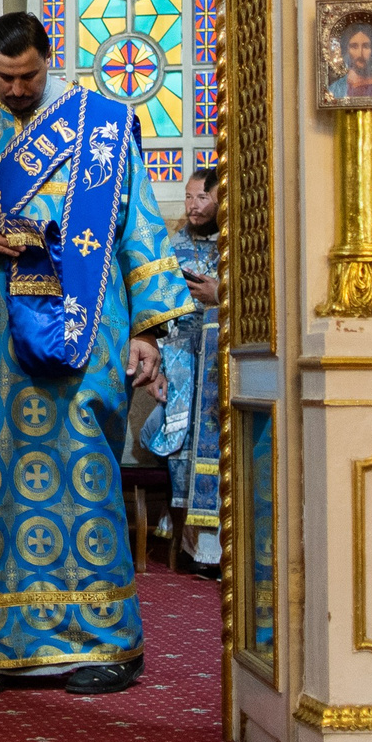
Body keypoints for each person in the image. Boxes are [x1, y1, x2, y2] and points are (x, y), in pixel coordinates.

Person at [0, 12, 191, 693]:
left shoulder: (100, 125)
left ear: (48, 60)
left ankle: (104, 642)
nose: (17, 88)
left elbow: (138, 225)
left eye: (28, 76)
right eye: (4, 77)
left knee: (83, 474)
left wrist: (147, 330)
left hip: (82, 328)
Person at [141, 166, 222, 567]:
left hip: (219, 370)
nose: (193, 205)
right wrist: (157, 372)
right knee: (174, 444)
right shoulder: (171, 248)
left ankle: (216, 550)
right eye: (189, 197)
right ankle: (193, 548)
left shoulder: (235, 246)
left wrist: (219, 293)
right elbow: (158, 313)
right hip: (181, 367)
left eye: (202, 198)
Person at [324, 23, 372, 102]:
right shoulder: (334, 90)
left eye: (366, 46)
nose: (360, 54)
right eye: (354, 46)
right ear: (346, 50)